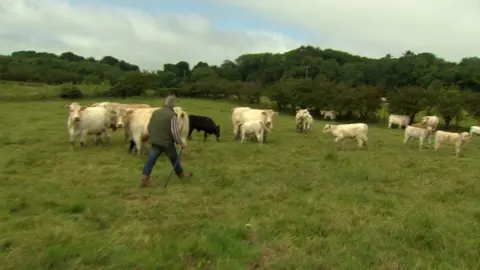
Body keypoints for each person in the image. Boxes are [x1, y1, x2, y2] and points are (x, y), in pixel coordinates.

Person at [140, 95, 193, 188]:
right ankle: (181, 175)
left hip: (155, 141)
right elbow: (174, 131)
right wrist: (180, 142)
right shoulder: (172, 115)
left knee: (151, 160)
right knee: (174, 159)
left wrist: (153, 136)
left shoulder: (156, 112)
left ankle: (144, 178)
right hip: (167, 143)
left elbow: (149, 127)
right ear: (173, 105)